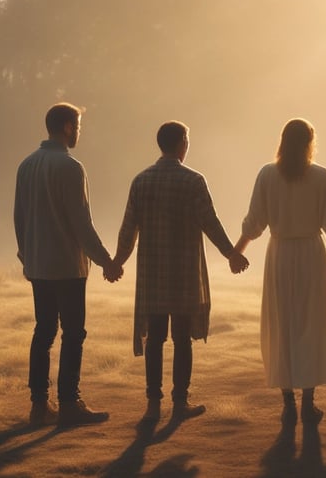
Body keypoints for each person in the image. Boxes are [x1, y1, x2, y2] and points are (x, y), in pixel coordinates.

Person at [234, 118, 326, 426]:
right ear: (310, 143)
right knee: (311, 325)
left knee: (282, 324)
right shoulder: (321, 177)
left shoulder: (268, 175)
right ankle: (308, 402)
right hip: (311, 256)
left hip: (280, 255)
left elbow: (254, 222)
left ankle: (288, 402)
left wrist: (236, 252)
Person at [113, 121, 249, 424]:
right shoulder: (193, 181)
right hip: (185, 274)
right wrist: (232, 254)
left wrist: (117, 262)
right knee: (182, 339)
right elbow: (209, 222)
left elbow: (128, 230)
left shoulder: (141, 181)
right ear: (182, 144)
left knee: (156, 338)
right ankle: (180, 401)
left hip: (152, 274)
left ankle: (152, 403)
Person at [14, 102, 121, 428]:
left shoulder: (26, 165)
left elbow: (19, 216)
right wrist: (106, 261)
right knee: (73, 333)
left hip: (38, 264)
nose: (79, 132)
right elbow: (81, 224)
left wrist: (25, 254)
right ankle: (70, 403)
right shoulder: (71, 168)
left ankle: (38, 405)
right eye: (77, 125)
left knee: (43, 331)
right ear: (66, 128)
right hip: (66, 265)